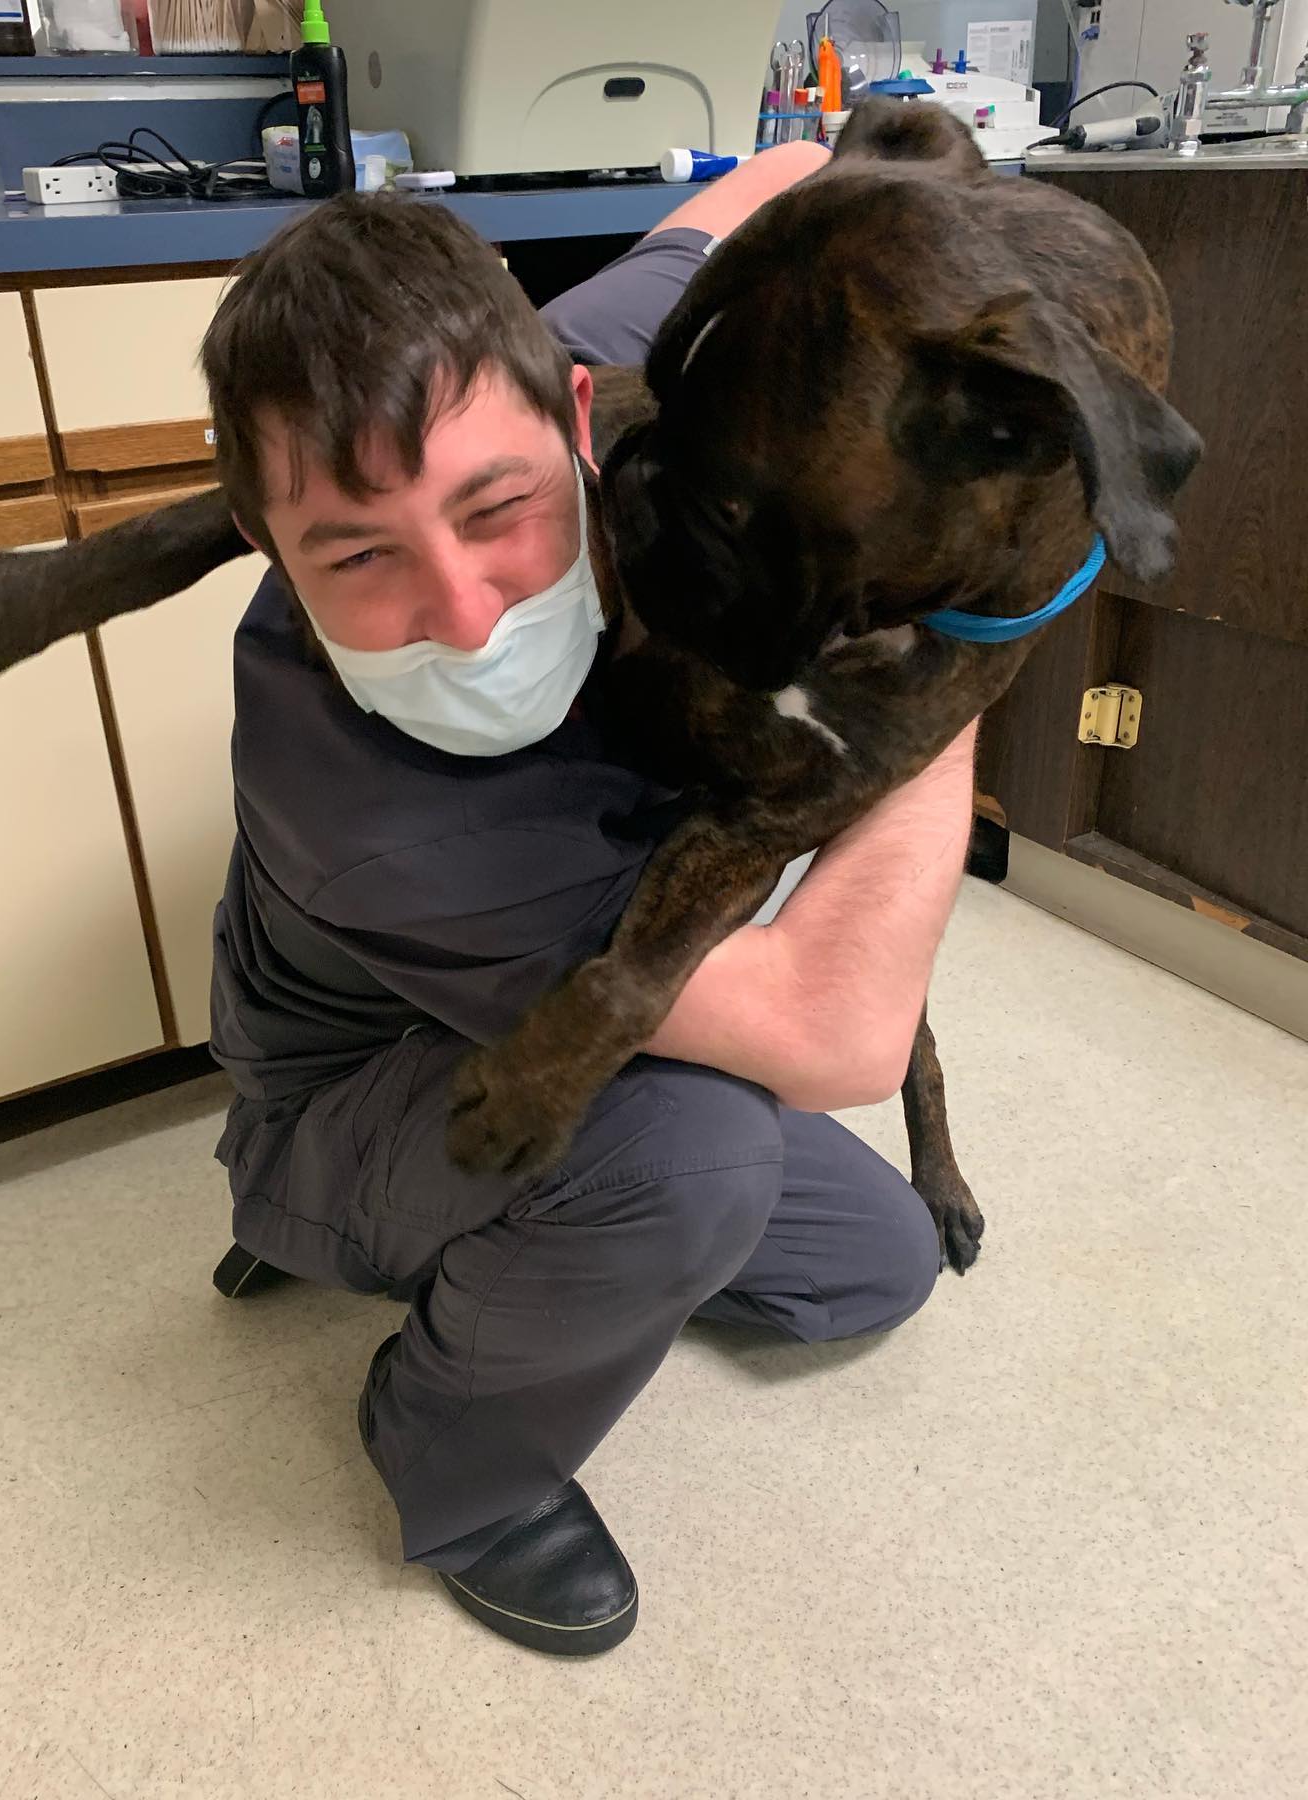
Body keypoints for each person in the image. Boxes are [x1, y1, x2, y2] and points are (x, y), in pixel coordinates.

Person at [199, 141, 973, 1657]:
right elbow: (839, 1034)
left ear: (572, 409)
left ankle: (530, 1258)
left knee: (874, 1267)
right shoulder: (374, 818)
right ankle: (451, 1449)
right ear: (264, 549)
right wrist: (947, 670)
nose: (469, 616)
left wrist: (890, 167)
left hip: (497, 1033)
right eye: (359, 555)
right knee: (689, 1144)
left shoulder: (591, 373)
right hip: (338, 1100)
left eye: (496, 510)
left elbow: (775, 177)